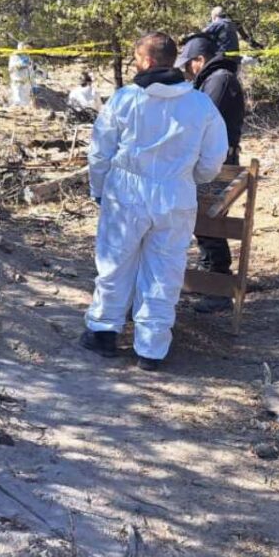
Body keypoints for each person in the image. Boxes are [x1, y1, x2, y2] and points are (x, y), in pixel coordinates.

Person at [81, 32, 228, 371]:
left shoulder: (125, 100)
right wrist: (189, 179)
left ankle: (103, 332)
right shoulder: (200, 104)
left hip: (126, 192)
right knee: (165, 269)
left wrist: (99, 189)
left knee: (115, 263)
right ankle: (151, 348)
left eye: (136, 58)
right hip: (175, 195)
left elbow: (100, 152)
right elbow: (213, 159)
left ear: (146, 61)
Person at [176, 33, 246, 314]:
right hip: (215, 161)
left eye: (188, 64)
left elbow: (203, 120)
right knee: (204, 222)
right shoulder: (216, 78)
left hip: (217, 164)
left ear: (199, 60)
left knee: (209, 221)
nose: (186, 70)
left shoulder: (218, 80)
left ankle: (217, 287)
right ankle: (210, 279)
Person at [8, 42, 35, 108]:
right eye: (27, 48)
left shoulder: (28, 57)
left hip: (27, 83)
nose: (28, 50)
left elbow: (30, 69)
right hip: (18, 83)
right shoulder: (15, 56)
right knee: (18, 102)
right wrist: (21, 64)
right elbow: (12, 68)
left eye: (29, 48)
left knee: (26, 103)